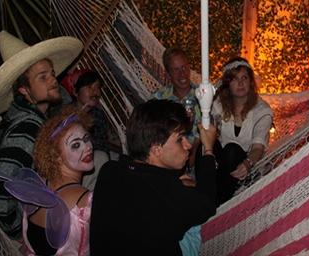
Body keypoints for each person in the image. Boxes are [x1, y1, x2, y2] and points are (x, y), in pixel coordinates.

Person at [0, 31, 83, 238]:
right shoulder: (26, 129)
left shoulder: (39, 120)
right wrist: (20, 231)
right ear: (25, 91)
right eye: (42, 77)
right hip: (36, 226)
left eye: (52, 73)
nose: (54, 80)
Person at [89, 99, 218, 255]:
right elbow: (207, 204)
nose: (188, 145)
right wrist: (209, 150)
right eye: (180, 139)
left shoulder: (109, 170)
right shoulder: (166, 191)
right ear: (156, 150)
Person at [25, 106, 95, 256]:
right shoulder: (86, 201)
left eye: (86, 139)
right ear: (56, 156)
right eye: (76, 145)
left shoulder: (37, 188)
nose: (88, 147)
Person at [212, 57, 273, 204]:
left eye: (244, 78)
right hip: (221, 165)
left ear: (251, 82)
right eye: (234, 79)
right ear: (227, 83)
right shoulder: (218, 105)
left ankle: (216, 206)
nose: (240, 83)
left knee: (232, 150)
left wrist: (247, 163)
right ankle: (208, 200)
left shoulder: (262, 110)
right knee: (207, 146)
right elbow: (212, 135)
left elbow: (258, 147)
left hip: (247, 165)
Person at [61, 68, 121, 189]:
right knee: (100, 157)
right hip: (73, 164)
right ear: (75, 92)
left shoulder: (98, 114)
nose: (96, 92)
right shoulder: (65, 115)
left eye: (98, 87)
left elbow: (105, 141)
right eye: (89, 87)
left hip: (97, 158)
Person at [153, 47, 201, 169]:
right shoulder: (159, 99)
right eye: (176, 70)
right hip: (167, 161)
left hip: (198, 158)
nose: (182, 73)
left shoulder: (202, 96)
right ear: (168, 73)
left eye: (184, 67)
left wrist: (194, 150)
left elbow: (211, 130)